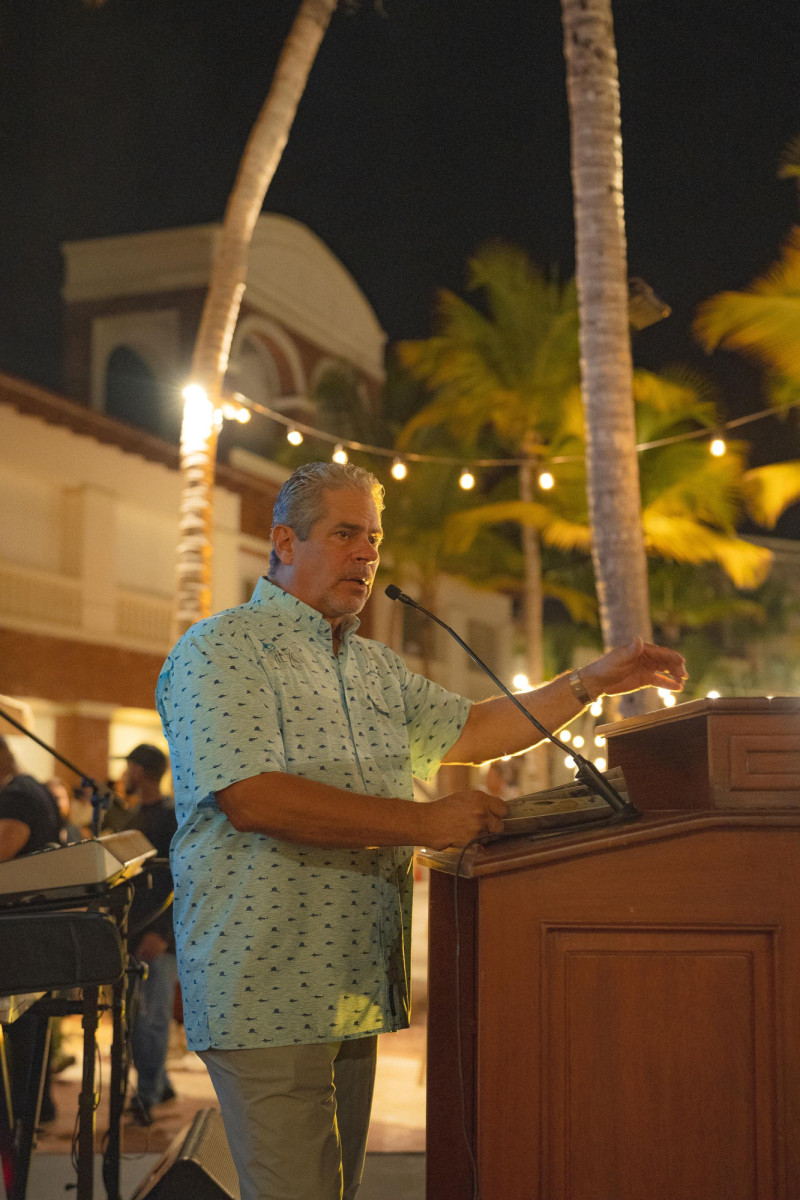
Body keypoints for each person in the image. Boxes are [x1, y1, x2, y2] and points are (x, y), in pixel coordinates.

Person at [155, 461, 687, 1200]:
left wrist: (591, 681)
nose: (367, 554)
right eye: (345, 534)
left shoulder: (374, 667)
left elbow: (473, 728)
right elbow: (255, 798)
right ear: (283, 541)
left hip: (350, 981)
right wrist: (427, 821)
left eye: (373, 538)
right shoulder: (222, 651)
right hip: (266, 982)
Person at [118, 743, 178, 1126]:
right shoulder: (133, 815)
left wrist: (162, 933)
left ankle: (146, 1097)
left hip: (156, 938)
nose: (124, 774)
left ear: (139, 770)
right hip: (132, 932)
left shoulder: (171, 818)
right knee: (135, 1021)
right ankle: (161, 1084)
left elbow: (182, 879)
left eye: (128, 767)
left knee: (150, 1020)